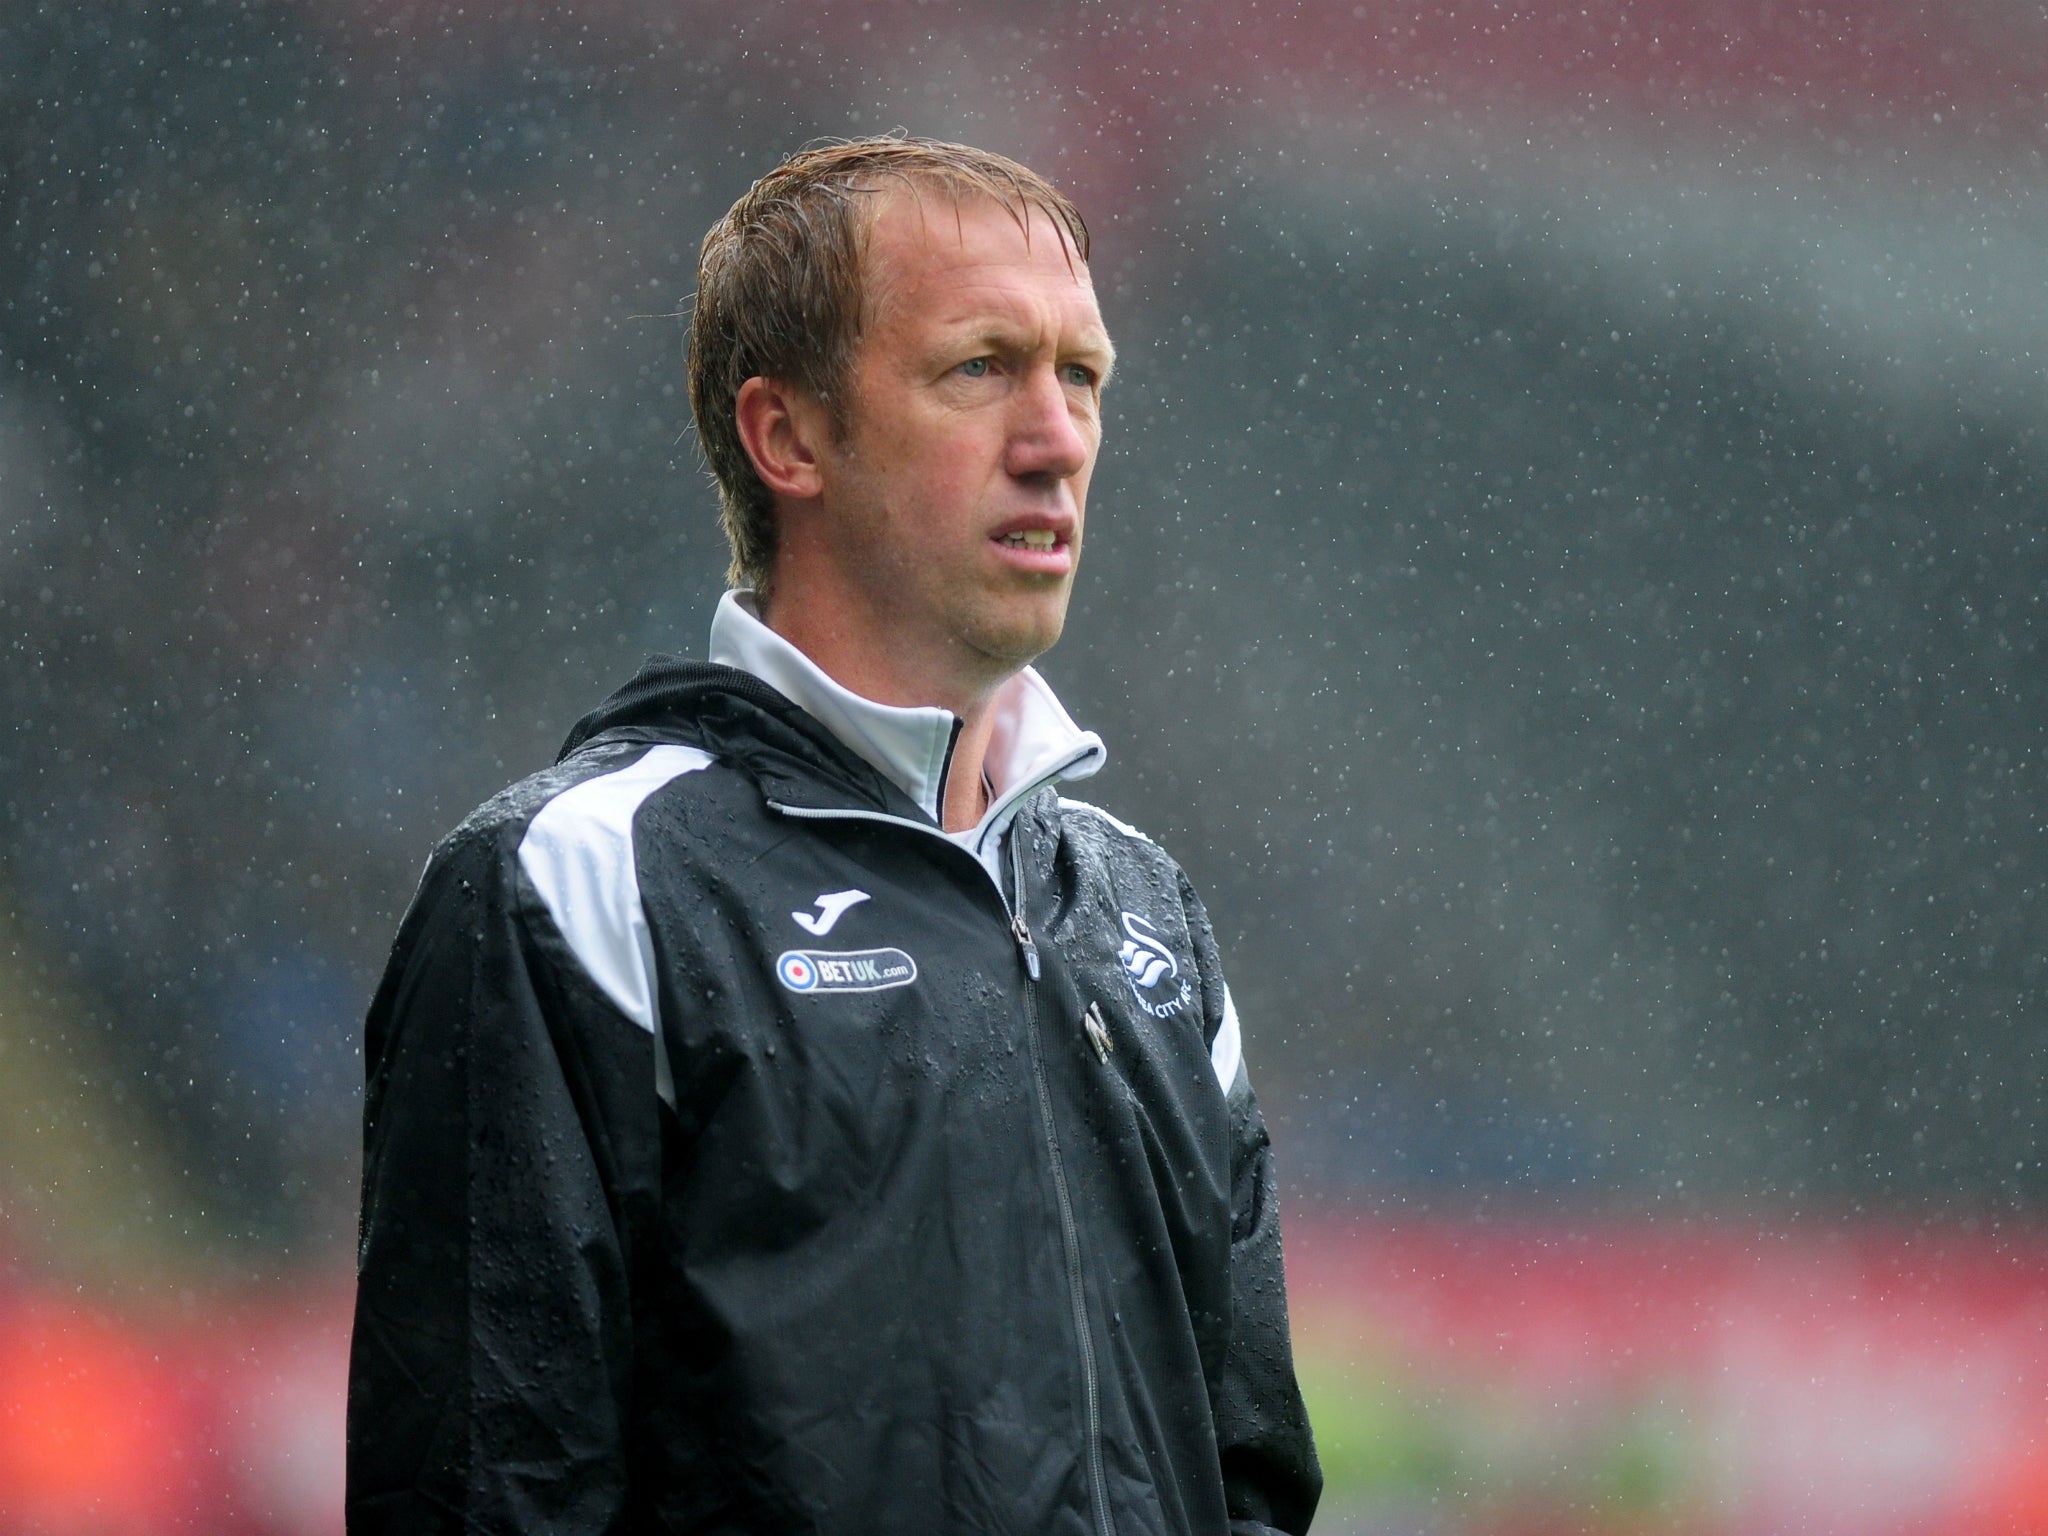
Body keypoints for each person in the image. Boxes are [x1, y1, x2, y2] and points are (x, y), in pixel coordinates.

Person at [346, 136, 1321, 1536]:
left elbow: (1249, 1484)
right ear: (787, 437)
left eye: (1083, 375)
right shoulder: (577, 887)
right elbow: (483, 1493)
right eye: (979, 368)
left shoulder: (1145, 914)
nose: (1056, 440)